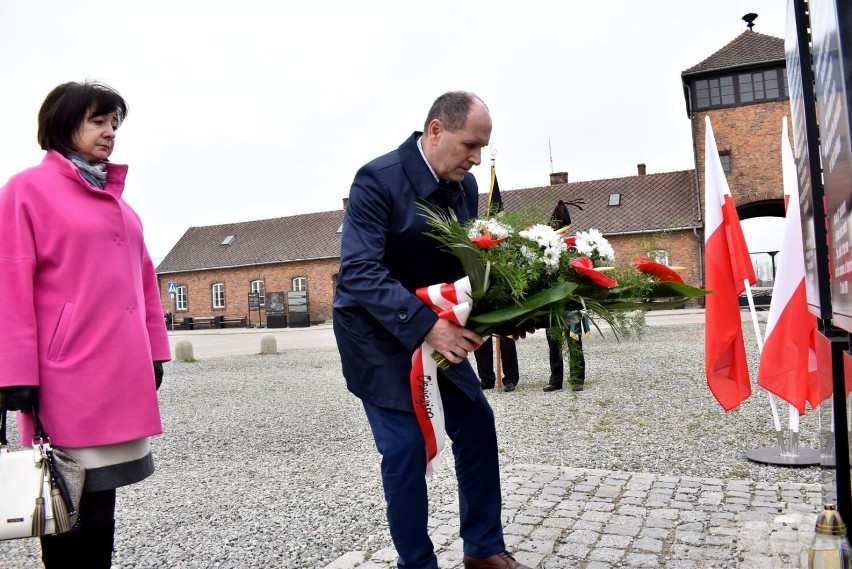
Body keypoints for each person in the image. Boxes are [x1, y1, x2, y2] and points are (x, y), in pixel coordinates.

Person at [333, 91, 530, 569]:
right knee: (403, 448)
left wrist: (507, 313)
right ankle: (417, 563)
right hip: (377, 335)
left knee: (477, 424)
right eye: (469, 145)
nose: (477, 158)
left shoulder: (464, 187)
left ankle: (483, 549)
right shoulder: (376, 180)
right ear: (436, 130)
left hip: (436, 328)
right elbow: (358, 271)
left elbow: (467, 263)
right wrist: (427, 327)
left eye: (482, 147)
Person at [0, 81, 171, 567]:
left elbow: (145, 284)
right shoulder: (25, 191)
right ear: (61, 123)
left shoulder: (120, 206)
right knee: (63, 498)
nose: (110, 132)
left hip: (119, 376)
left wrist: (155, 351)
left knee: (103, 495)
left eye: (114, 123)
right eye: (98, 121)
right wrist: (13, 375)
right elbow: (8, 283)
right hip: (65, 376)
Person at [544, 312, 588, 392]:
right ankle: (556, 381)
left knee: (574, 344)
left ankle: (577, 380)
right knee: (554, 346)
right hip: (552, 309)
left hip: (572, 308)